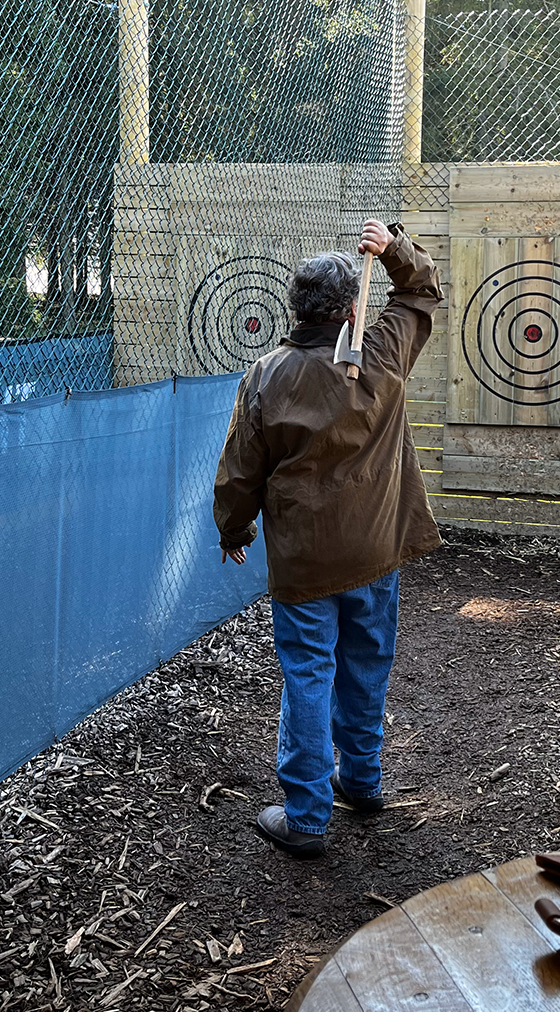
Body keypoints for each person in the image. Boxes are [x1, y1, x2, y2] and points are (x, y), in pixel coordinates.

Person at [212, 218, 443, 858]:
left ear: (295, 308)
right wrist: (394, 250)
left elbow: (240, 469)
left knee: (309, 676)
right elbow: (421, 292)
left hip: (305, 563)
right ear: (350, 307)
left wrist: (234, 527)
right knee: (367, 665)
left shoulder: (266, 374)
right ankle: (362, 783)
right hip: (375, 551)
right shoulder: (385, 352)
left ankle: (308, 816)